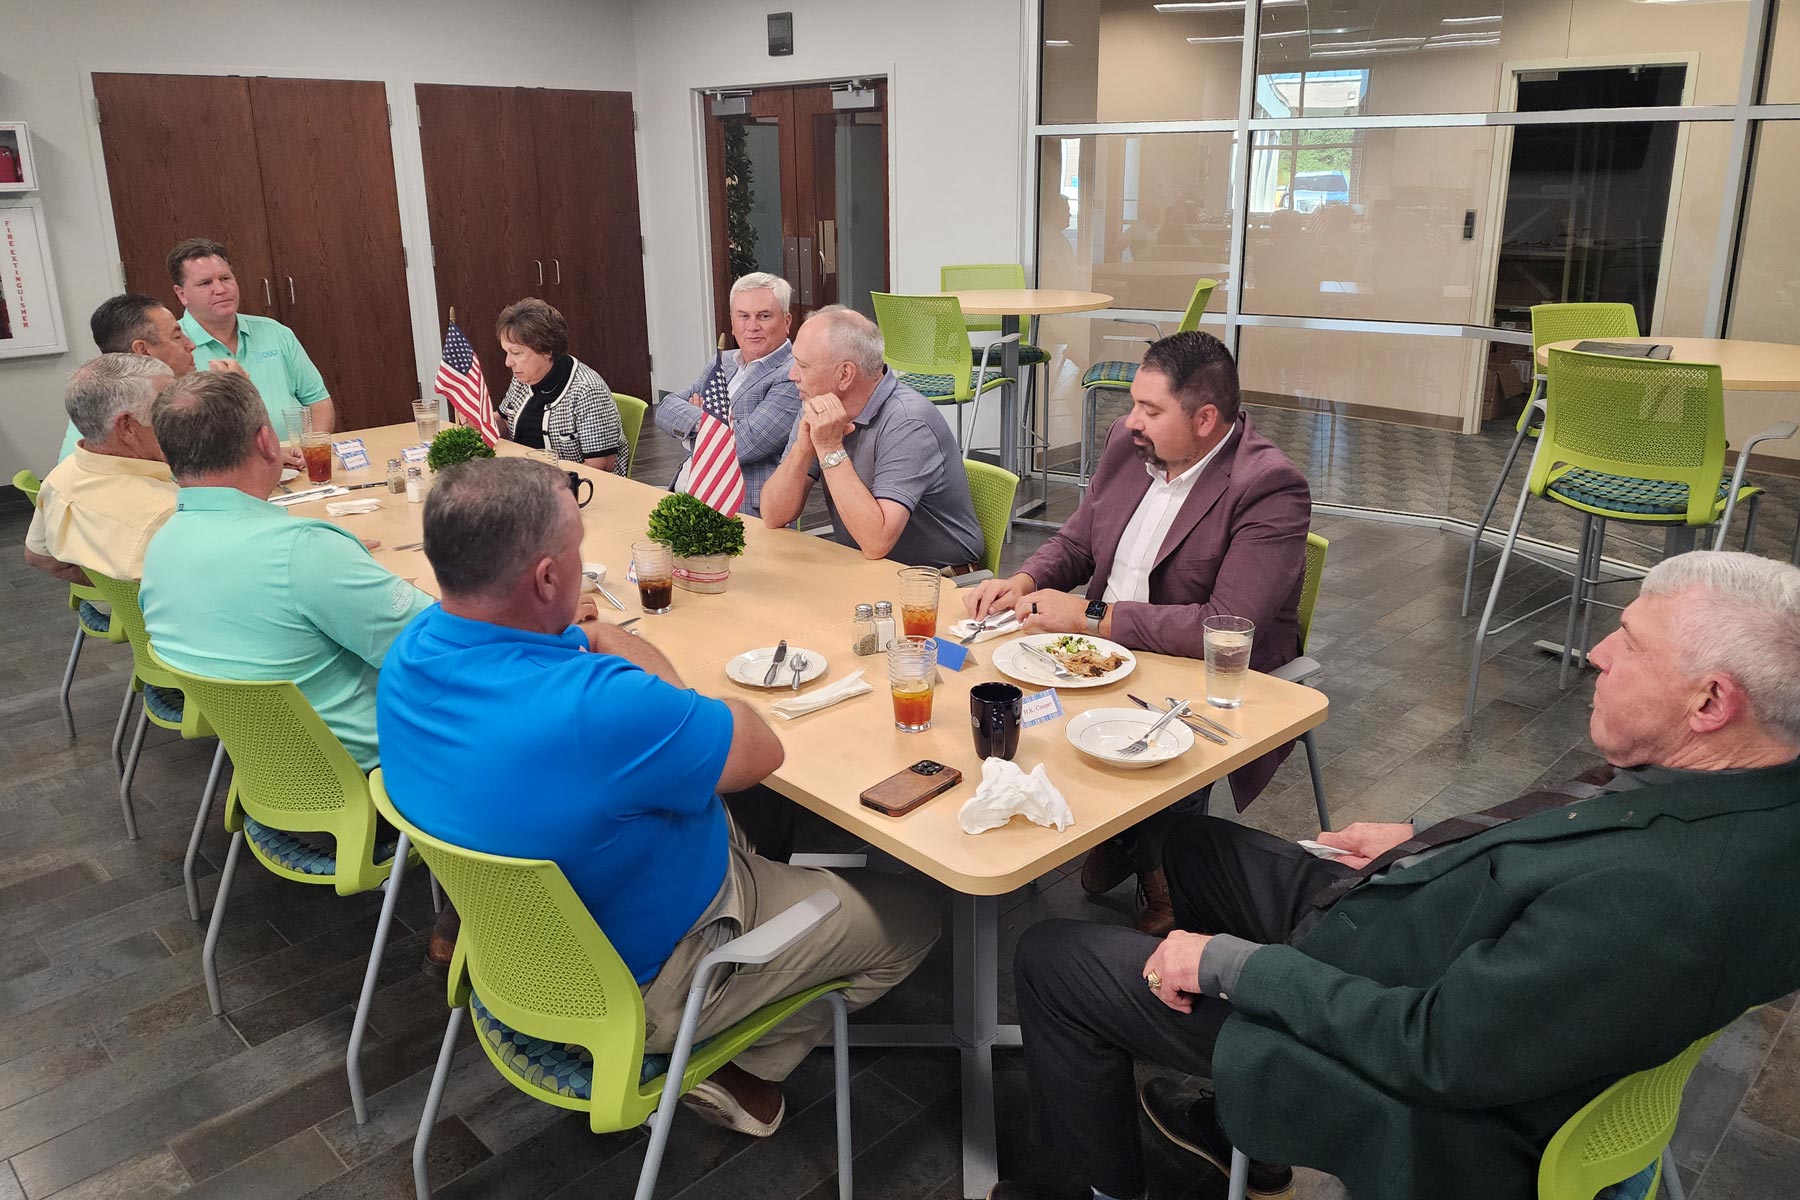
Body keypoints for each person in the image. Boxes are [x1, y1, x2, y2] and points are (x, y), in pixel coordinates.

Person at [990, 551, 1800, 1200]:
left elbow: (1436, 1050)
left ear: (1710, 702)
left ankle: (1087, 1182)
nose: (1596, 653)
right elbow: (1563, 848)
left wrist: (1233, 964)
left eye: (1630, 642)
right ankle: (1243, 1139)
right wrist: (1422, 843)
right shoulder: (1737, 793)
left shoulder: (1666, 895)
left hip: (1386, 1051)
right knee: (1195, 848)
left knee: (1055, 958)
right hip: (1412, 924)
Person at [377, 457, 939, 1134]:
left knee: (734, 809)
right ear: (548, 578)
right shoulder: (599, 707)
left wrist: (572, 635)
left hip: (512, 954)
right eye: (577, 551)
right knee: (914, 917)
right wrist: (606, 637)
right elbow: (759, 748)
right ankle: (747, 1069)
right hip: (651, 982)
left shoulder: (409, 657)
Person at [965, 330, 1310, 935]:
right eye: (1133, 404)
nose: (1131, 422)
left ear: (1206, 419)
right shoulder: (1129, 448)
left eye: (1150, 410)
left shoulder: (1268, 487)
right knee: (1001, 693)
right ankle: (1125, 836)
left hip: (1206, 674)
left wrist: (1092, 618)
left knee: (1144, 720)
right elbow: (1079, 538)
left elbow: (1223, 624)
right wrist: (1025, 579)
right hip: (1109, 653)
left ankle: (1162, 861)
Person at [140, 372, 432, 772]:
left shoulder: (159, 545)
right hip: (379, 769)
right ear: (265, 441)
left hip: (266, 770)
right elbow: (434, 648)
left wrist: (333, 563)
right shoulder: (304, 553)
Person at [760, 306, 985, 571]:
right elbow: (773, 515)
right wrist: (804, 447)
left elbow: (876, 542)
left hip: (935, 583)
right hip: (868, 570)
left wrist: (830, 447)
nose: (792, 375)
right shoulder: (818, 406)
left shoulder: (909, 421)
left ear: (845, 374)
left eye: (803, 365)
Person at [653, 271, 803, 517]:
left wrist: (698, 421)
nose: (752, 326)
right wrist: (716, 424)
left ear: (786, 322)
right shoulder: (722, 362)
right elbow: (666, 407)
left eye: (764, 316)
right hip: (683, 497)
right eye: (743, 316)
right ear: (732, 323)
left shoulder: (794, 374)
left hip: (737, 514)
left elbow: (743, 444)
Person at [26, 354, 178, 584]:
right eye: (168, 408)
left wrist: (112, 594)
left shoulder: (62, 475)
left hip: (109, 615)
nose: (183, 417)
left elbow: (37, 555)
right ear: (127, 426)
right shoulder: (168, 513)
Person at [168, 238, 334, 439]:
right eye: (205, 283)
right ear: (181, 294)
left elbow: (319, 402)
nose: (220, 290)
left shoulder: (276, 332)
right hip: (221, 467)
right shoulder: (172, 346)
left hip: (297, 460)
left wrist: (310, 450)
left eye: (226, 278)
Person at [55, 293, 215, 462]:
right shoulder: (116, 417)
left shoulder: (100, 402)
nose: (191, 345)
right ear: (143, 351)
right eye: (176, 337)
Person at [494, 298, 627, 475]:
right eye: (507, 352)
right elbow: (504, 422)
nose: (508, 362)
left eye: (516, 353)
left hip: (570, 488)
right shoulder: (523, 377)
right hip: (525, 477)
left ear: (547, 350)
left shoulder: (587, 391)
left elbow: (600, 467)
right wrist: (476, 418)